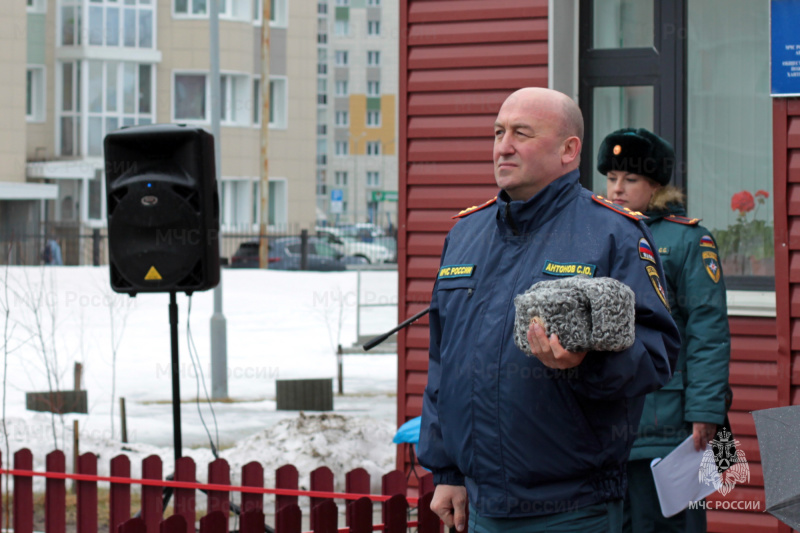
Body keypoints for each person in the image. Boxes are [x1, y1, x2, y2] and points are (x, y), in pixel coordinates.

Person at [417, 87, 681, 533]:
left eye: (522, 133)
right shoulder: (466, 233)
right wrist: (447, 472)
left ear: (568, 150)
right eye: (499, 132)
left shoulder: (611, 233)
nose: (504, 145)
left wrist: (584, 363)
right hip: (480, 507)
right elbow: (444, 362)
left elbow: (656, 357)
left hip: (572, 508)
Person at [598, 128, 731, 532]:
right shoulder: (597, 232)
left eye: (631, 179)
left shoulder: (690, 240)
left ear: (655, 186)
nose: (617, 188)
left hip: (671, 423)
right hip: (608, 421)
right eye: (611, 177)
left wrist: (705, 412)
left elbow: (708, 331)